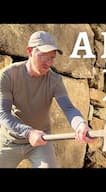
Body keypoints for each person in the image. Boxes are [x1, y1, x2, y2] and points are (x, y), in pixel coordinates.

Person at [0, 30, 95, 168]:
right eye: (43, 55)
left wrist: (80, 125)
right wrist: (28, 132)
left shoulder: (55, 80)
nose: (48, 62)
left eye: (52, 57)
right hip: (10, 140)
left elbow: (68, 108)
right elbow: (3, 114)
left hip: (41, 141)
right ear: (29, 51)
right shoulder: (8, 76)